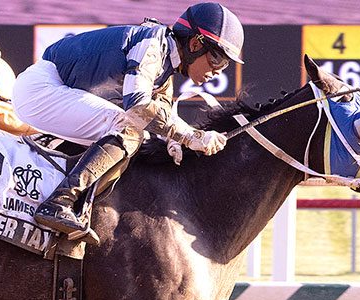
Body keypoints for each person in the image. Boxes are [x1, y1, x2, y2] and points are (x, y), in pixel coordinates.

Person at [12, 2, 244, 238]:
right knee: (129, 130)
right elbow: (138, 106)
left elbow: (162, 112)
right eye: (217, 59)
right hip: (41, 89)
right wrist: (189, 135)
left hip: (53, 91)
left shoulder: (165, 66)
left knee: (135, 136)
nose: (219, 70)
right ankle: (59, 202)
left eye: (225, 64)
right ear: (195, 44)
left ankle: (79, 212)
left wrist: (174, 141)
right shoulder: (152, 44)